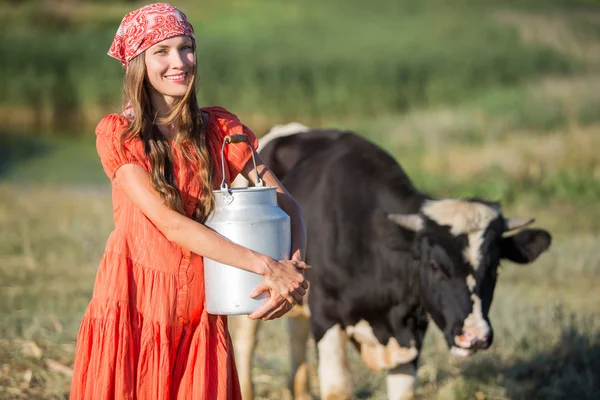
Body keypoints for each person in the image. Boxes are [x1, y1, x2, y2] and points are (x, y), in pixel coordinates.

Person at [70, 3, 309, 399]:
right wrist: (266, 266)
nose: (178, 61)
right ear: (137, 64)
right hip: (136, 305)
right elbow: (171, 224)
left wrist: (293, 272)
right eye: (160, 51)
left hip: (201, 309)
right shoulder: (120, 134)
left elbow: (290, 207)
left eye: (185, 47)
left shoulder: (220, 130)